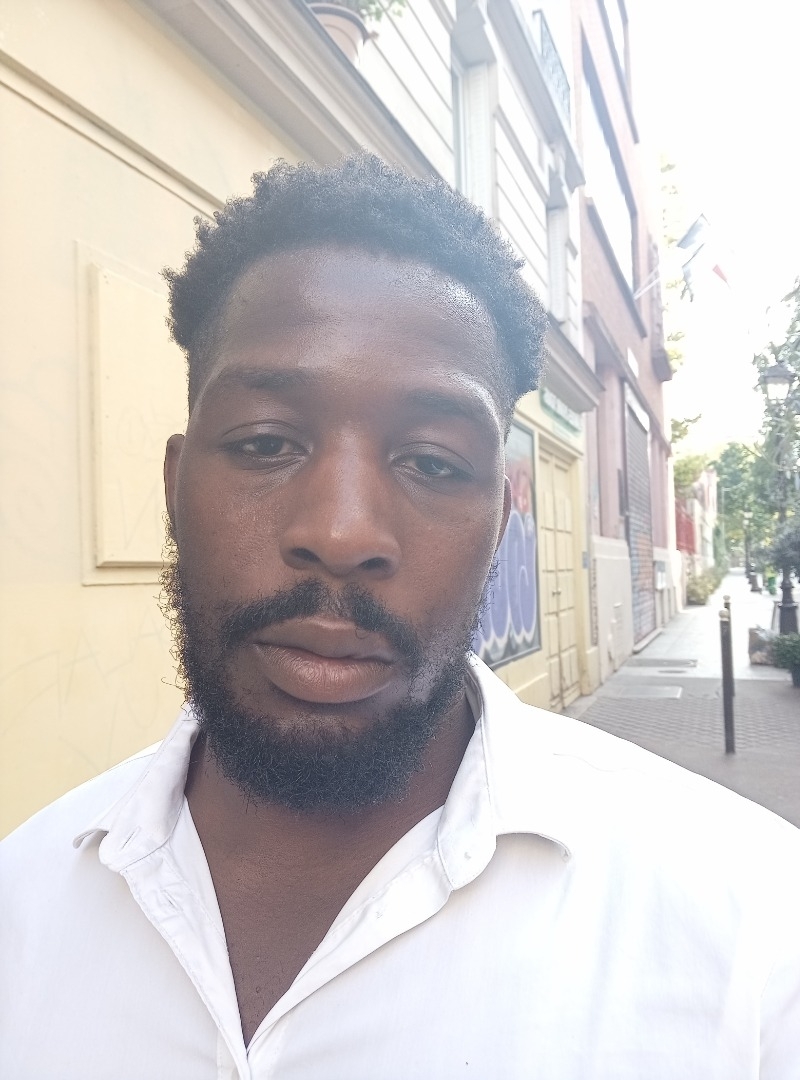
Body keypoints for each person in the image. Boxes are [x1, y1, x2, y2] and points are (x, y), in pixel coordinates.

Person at [1, 155, 799, 1079]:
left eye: (431, 462)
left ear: (499, 522)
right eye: (265, 443)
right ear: (176, 487)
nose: (341, 533)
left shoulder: (753, 936)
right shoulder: (22, 901)